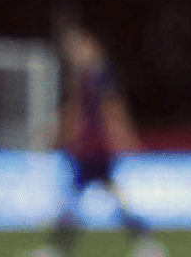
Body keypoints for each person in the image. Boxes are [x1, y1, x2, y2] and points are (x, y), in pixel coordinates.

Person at [30, 21, 163, 257]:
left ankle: (58, 248)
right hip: (85, 149)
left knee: (82, 199)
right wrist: (58, 133)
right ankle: (145, 243)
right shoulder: (82, 77)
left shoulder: (99, 76)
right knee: (88, 198)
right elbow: (74, 112)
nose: (73, 53)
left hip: (98, 149)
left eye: (77, 47)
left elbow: (112, 107)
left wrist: (123, 136)